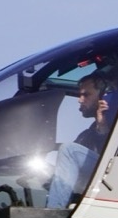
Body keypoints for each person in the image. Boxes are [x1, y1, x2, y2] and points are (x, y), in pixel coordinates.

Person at [45, 72, 113, 209]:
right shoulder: (86, 134)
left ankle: (54, 210)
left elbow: (112, 153)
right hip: (92, 183)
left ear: (102, 97)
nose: (80, 100)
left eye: (86, 95)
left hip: (115, 176)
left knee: (69, 150)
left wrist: (102, 125)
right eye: (79, 95)